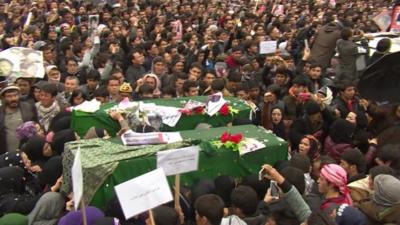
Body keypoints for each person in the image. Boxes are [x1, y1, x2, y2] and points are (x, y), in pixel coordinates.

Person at [0, 85, 37, 153]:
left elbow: (36, 125)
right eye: (9, 96)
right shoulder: (1, 112)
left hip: (27, 150)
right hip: (6, 152)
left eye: (15, 95)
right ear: (4, 98)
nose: (13, 98)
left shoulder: (28, 107)